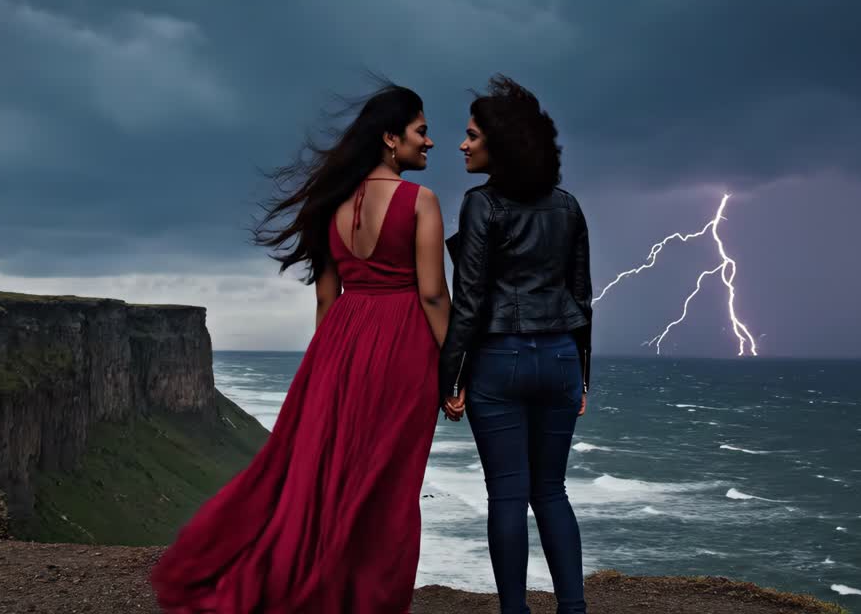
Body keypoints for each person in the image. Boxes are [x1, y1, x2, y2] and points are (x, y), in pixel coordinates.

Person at [149, 79, 451, 613]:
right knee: (389, 482)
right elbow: (431, 294)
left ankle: (320, 580)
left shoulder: (329, 203)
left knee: (329, 472)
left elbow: (327, 298)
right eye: (421, 131)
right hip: (403, 344)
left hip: (340, 343)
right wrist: (457, 366)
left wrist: (328, 368)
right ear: (390, 138)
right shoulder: (419, 201)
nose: (429, 141)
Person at [439, 74, 592, 614]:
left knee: (507, 494)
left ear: (499, 144)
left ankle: (515, 611)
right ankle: (573, 608)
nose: (462, 145)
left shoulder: (481, 204)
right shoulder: (568, 206)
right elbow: (582, 297)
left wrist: (451, 378)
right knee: (551, 491)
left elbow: (469, 299)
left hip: (499, 360)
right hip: (561, 358)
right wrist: (583, 377)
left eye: (472, 135)